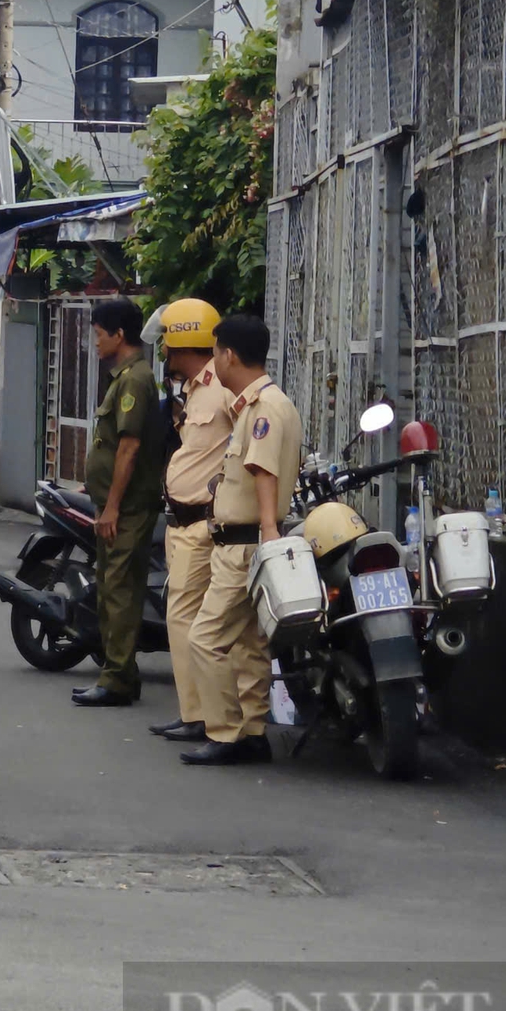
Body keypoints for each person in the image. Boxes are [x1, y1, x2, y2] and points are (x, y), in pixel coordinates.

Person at [179, 313, 302, 768]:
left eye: (215, 352)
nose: (215, 362)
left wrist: (268, 533)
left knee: (206, 637)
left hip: (246, 544)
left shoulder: (263, 408)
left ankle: (225, 733)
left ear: (228, 354)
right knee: (250, 643)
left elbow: (263, 471)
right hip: (248, 541)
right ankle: (251, 730)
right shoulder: (264, 403)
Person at [72, 297, 168, 709]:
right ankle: (118, 676)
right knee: (110, 587)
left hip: (128, 508)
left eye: (98, 334)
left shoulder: (134, 380)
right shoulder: (127, 376)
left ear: (119, 335)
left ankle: (116, 679)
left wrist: (111, 506)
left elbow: (128, 448)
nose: (94, 342)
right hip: (115, 505)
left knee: (120, 592)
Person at [148, 298, 225, 746]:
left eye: (169, 348)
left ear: (183, 343)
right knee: (184, 619)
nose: (166, 357)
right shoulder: (194, 389)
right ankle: (194, 711)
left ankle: (199, 715)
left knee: (190, 620)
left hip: (203, 524)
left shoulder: (224, 390)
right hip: (181, 522)